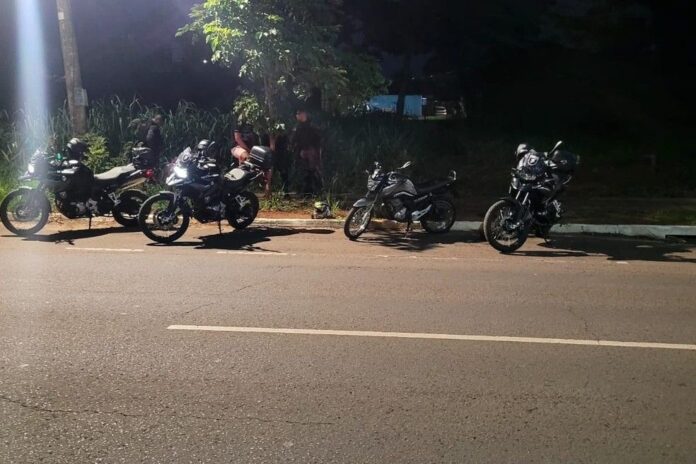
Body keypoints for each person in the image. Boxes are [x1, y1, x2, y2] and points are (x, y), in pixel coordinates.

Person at [291, 108, 322, 195]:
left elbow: (318, 139)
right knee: (304, 172)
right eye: (297, 114)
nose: (297, 116)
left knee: (313, 171)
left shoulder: (312, 126)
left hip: (311, 152)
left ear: (304, 114)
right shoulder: (297, 127)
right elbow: (294, 140)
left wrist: (314, 151)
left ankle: (316, 191)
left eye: (299, 114)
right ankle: (306, 191)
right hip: (301, 152)